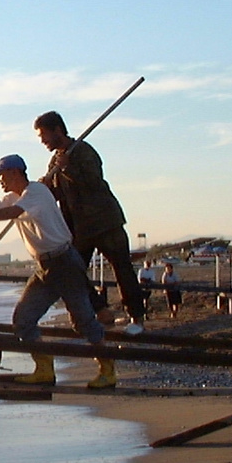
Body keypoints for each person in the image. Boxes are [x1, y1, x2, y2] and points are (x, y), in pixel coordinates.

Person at [0, 154, 115, 388]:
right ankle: (44, 369)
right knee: (23, 320)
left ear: (15, 173)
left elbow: (9, 213)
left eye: (1, 176)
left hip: (64, 262)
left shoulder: (37, 192)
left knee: (84, 321)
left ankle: (108, 370)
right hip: (44, 266)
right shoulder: (14, 197)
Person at [34, 111, 145, 333]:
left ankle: (136, 318)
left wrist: (67, 168)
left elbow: (93, 183)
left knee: (122, 269)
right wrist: (43, 188)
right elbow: (56, 194)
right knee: (73, 271)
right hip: (79, 230)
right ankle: (100, 310)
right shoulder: (54, 161)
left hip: (105, 223)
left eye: (44, 135)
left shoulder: (83, 151)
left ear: (57, 130)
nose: (43, 141)